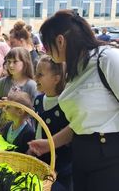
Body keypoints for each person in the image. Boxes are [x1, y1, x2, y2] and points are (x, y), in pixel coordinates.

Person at [28, 9, 119, 191]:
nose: (46, 51)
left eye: (46, 46)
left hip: (108, 157)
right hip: (82, 153)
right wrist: (50, 143)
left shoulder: (107, 59)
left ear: (60, 41)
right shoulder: (76, 68)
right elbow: (81, 123)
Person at [33, 56, 72, 191]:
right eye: (35, 73)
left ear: (56, 79)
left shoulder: (65, 104)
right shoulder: (38, 100)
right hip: (40, 159)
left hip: (61, 166)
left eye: (40, 74)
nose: (35, 77)